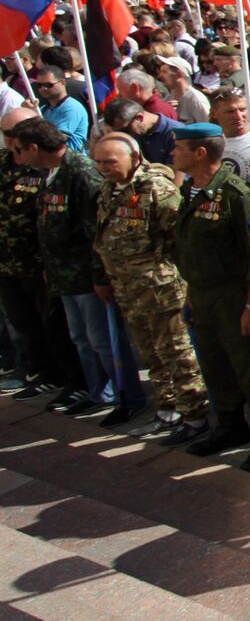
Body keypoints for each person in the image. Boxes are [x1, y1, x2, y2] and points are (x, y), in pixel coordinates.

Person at [168, 122, 250, 469]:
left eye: (179, 148)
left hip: (235, 295)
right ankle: (231, 424)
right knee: (214, 362)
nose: (172, 153)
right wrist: (191, 294)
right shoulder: (192, 190)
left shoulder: (235, 194)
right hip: (203, 294)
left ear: (200, 152)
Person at [6, 118, 127, 420]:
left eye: (20, 150)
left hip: (85, 278)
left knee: (100, 340)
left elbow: (95, 233)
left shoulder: (81, 173)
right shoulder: (50, 173)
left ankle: (118, 394)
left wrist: (100, 277)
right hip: (63, 275)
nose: (17, 156)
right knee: (80, 338)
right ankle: (95, 390)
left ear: (34, 148)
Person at [91, 133, 208, 443]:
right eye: (99, 162)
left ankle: (195, 415)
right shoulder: (108, 190)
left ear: (134, 158)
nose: (103, 168)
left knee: (176, 352)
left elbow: (181, 241)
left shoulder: (157, 189)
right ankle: (168, 409)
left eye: (110, 162)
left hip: (160, 289)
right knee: (150, 353)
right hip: (128, 288)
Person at [0, 107, 71, 401]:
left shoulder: (44, 166)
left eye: (12, 133)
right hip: (6, 262)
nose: (9, 140)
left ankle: (62, 375)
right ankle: (38, 371)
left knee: (53, 324)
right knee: (23, 323)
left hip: (38, 262)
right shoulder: (4, 163)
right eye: (5, 134)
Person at [102, 97, 179, 167]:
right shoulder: (137, 131)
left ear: (139, 118)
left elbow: (176, 176)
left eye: (124, 130)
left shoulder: (175, 133)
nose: (124, 135)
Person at [30, 65, 88, 150]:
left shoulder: (72, 108)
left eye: (48, 84)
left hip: (69, 160)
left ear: (63, 82)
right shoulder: (43, 109)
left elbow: (55, 140)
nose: (43, 88)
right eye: (39, 85)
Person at [156, 55, 211, 124]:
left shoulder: (196, 99)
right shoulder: (168, 99)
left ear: (179, 74)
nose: (160, 76)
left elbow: (208, 127)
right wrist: (166, 111)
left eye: (164, 72)